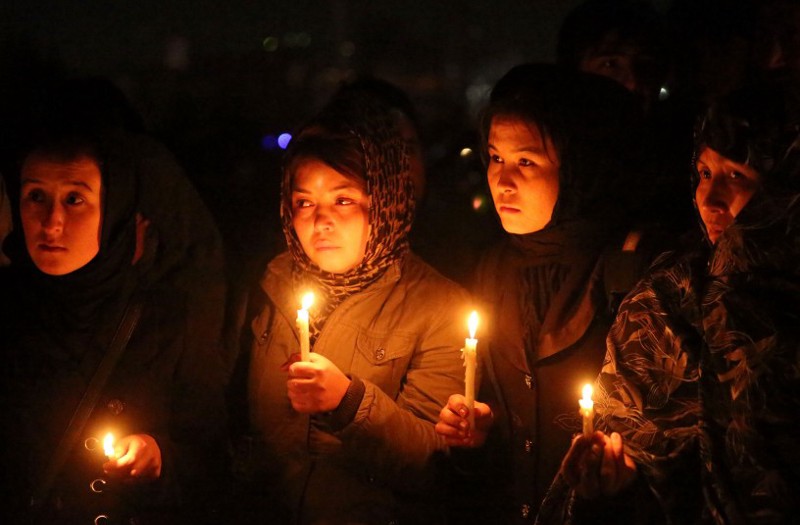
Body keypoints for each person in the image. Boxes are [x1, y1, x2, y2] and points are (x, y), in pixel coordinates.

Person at [541, 78, 800, 524]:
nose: (710, 198)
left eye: (736, 175)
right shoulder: (667, 299)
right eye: (703, 173)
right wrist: (616, 484)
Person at [435, 64, 661, 524]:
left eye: (527, 161)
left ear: (578, 168)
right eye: (496, 157)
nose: (503, 181)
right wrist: (474, 437)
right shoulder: (494, 269)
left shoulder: (634, 269)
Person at [0, 80, 228, 524]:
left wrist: (159, 460)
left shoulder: (167, 318)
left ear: (116, 208)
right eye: (35, 196)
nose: (52, 222)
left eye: (75, 198)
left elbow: (211, 465)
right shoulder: (9, 311)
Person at [237, 94, 469, 524]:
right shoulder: (269, 286)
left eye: (343, 200)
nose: (320, 220)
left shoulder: (438, 306)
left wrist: (348, 402)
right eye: (304, 202)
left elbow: (433, 463)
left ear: (383, 201)